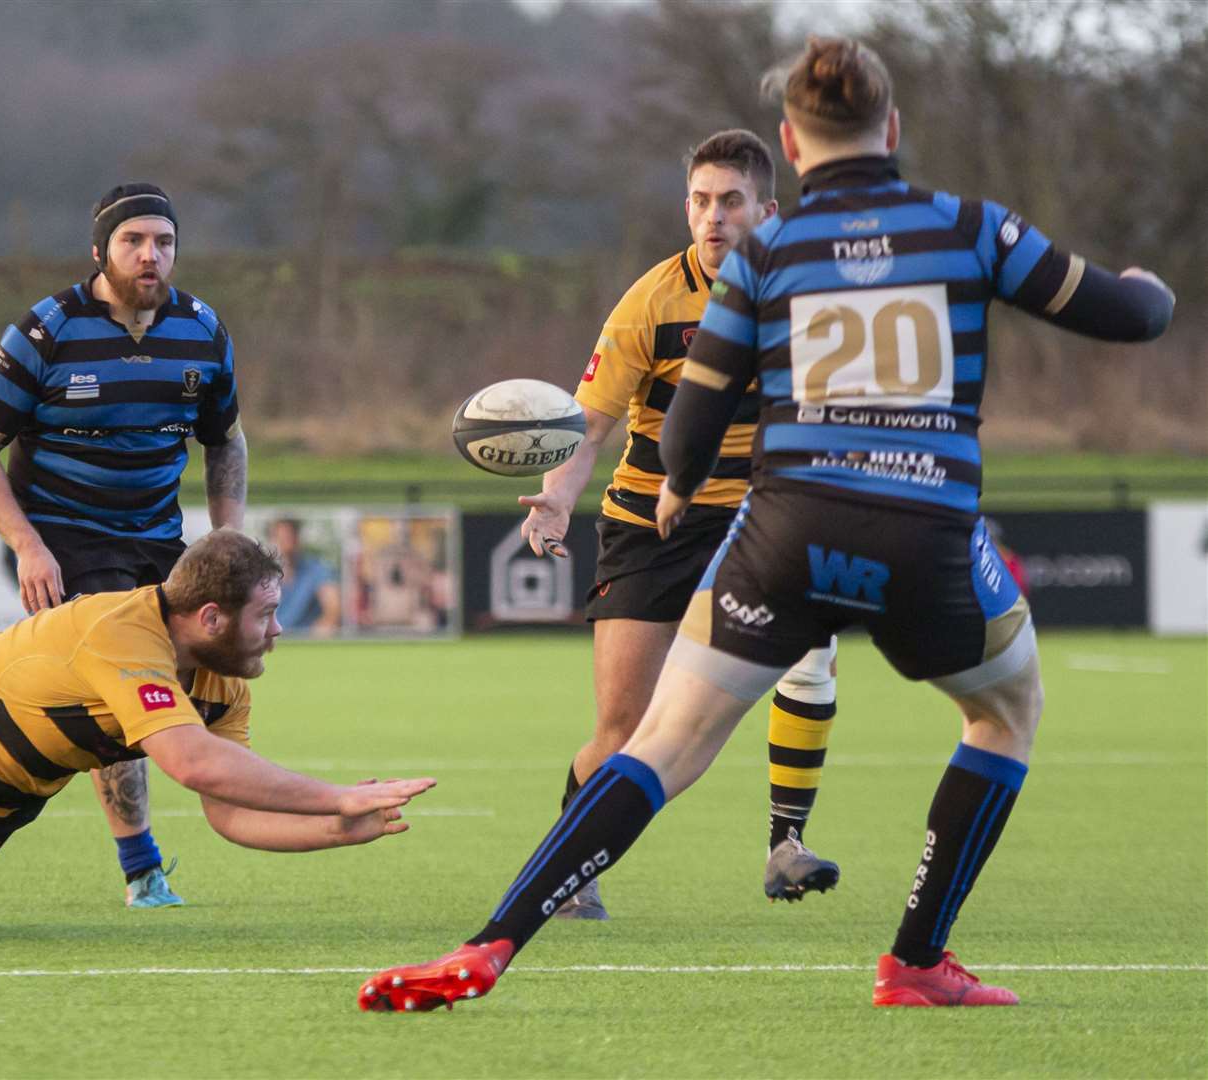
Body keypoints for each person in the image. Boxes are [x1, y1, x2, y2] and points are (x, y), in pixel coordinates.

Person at [359, 35, 1174, 1012]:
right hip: (925, 534)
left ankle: (489, 946)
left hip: (780, 533)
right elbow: (1128, 316)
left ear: (788, 143)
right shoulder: (967, 226)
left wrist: (675, 484)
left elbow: (695, 415)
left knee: (660, 745)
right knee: (1004, 712)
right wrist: (1147, 285)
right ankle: (915, 962)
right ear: (895, 129)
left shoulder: (767, 255)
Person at [0, 530, 434, 943]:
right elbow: (191, 764)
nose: (278, 630)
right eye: (266, 614)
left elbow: (230, 812)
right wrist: (334, 796)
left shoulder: (223, 687)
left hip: (0, 797)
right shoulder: (122, 631)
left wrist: (337, 830)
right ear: (209, 617)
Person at [517, 129, 840, 918]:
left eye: (730, 201)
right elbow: (588, 425)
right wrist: (558, 496)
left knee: (810, 660)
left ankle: (784, 843)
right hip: (650, 524)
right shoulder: (650, 301)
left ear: (767, 210)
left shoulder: (810, 295)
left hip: (768, 516)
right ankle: (568, 864)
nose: (713, 217)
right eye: (700, 201)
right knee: (625, 725)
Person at [0, 182, 249, 909]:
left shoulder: (202, 331)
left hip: (159, 539)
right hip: (63, 538)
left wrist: (228, 535)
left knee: (200, 668)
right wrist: (26, 545)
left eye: (164, 242)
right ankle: (141, 866)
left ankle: (232, 794)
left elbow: (226, 440)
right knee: (125, 693)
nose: (151, 255)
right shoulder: (47, 330)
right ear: (100, 251)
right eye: (133, 241)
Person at [267, 518, 341, 636]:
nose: (286, 545)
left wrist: (324, 626)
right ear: (272, 541)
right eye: (281, 539)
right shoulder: (261, 574)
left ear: (298, 539)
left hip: (306, 641)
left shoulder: (316, 569)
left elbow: (333, 606)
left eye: (290, 538)